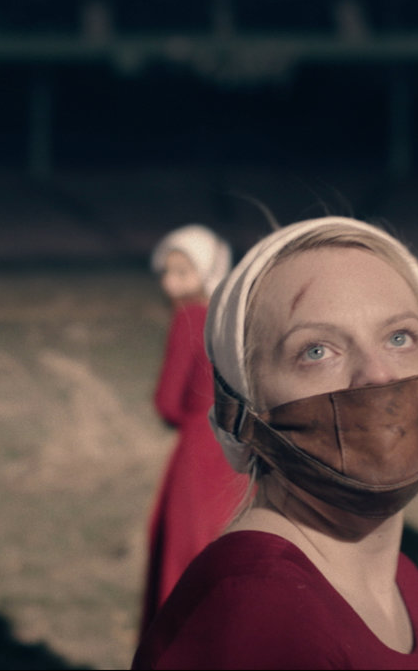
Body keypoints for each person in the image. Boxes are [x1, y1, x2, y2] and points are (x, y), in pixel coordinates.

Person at [132, 217, 418, 670]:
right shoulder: (259, 612)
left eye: (399, 338)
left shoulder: (404, 580)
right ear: (242, 405)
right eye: (317, 351)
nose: (379, 375)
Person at [140, 225, 243, 637]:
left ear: (207, 271)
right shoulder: (233, 321)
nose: (170, 283)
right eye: (167, 272)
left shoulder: (189, 318)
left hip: (198, 455)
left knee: (183, 560)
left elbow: (167, 401)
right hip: (236, 452)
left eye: (182, 272)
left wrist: (184, 414)